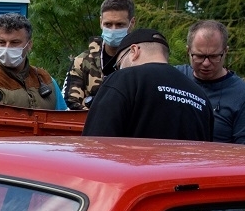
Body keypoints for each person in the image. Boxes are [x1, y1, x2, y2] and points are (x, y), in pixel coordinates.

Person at [82, 28, 213, 140]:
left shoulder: (124, 79)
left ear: (134, 51)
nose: (119, 69)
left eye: (118, 64)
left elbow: (95, 144)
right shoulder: (200, 96)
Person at [174, 20, 245, 146]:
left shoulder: (243, 96)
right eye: (199, 56)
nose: (206, 63)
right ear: (188, 51)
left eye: (214, 56)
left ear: (226, 51)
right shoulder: (174, 79)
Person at [0, 13, 67, 110]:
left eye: (14, 42)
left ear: (29, 45)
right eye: (1, 42)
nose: (7, 48)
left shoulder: (46, 80)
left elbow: (63, 119)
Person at [63, 0, 136, 109]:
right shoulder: (82, 61)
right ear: (101, 22)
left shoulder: (142, 61)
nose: (113, 30)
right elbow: (71, 102)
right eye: (108, 24)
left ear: (132, 23)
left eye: (119, 25)